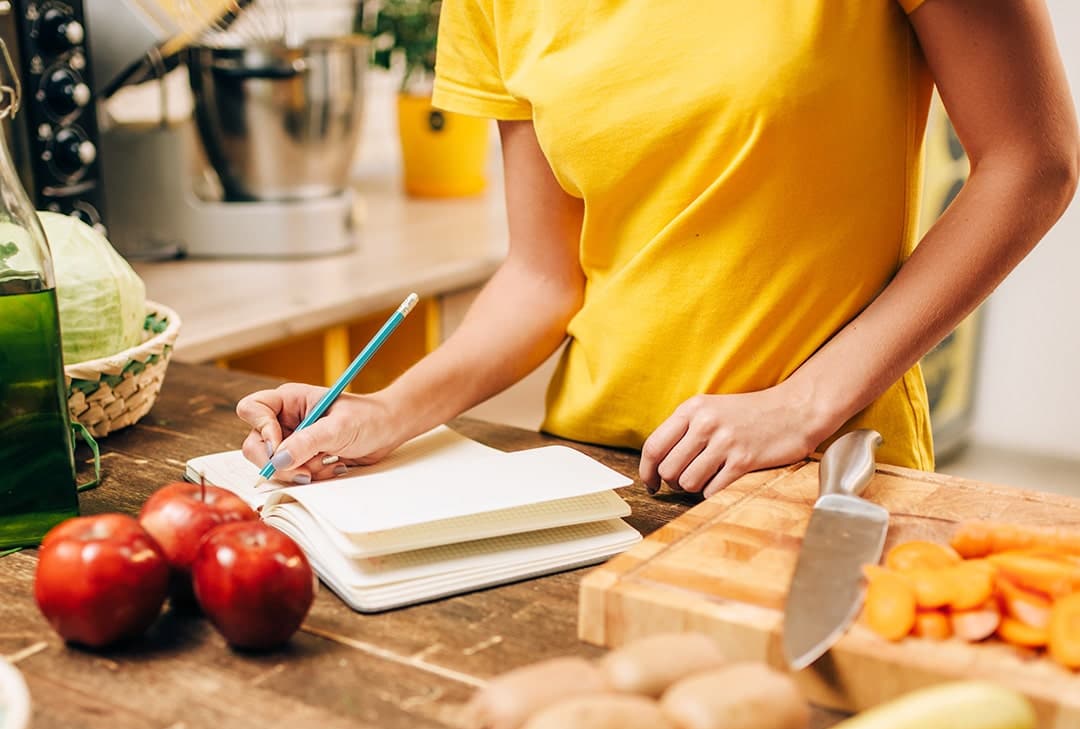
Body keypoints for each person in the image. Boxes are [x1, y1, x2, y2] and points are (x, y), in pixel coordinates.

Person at [237, 0, 1078, 498]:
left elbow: (1032, 162)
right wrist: (390, 409)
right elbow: (542, 275)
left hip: (825, 471)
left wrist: (803, 404)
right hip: (599, 478)